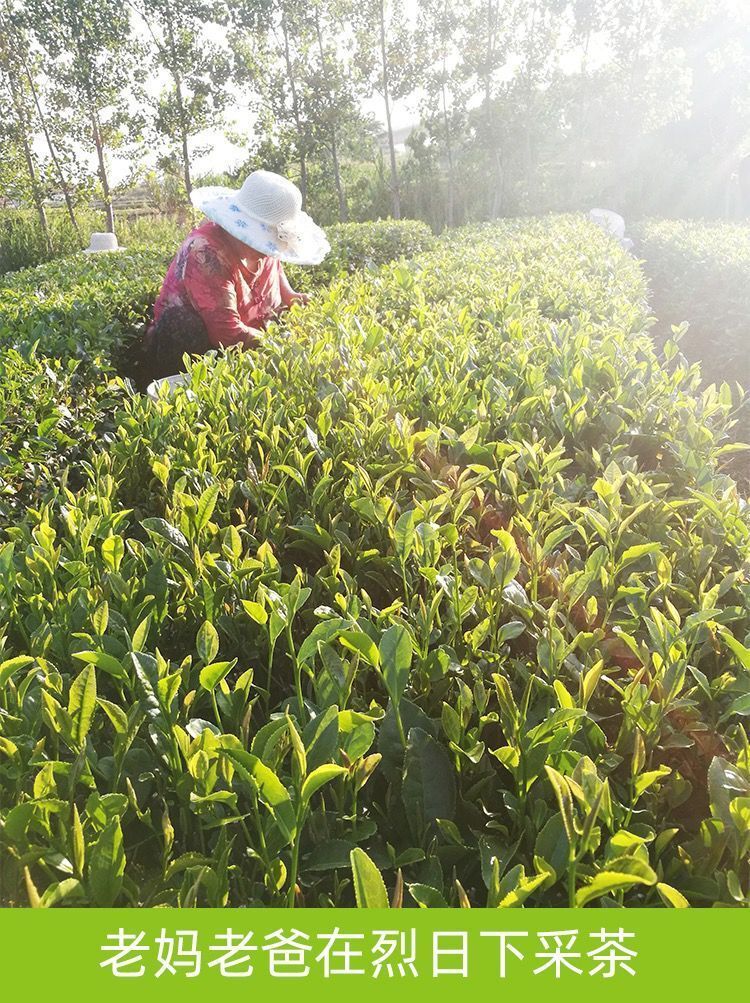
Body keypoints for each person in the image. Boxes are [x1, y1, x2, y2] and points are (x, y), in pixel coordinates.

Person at [139, 169, 329, 385]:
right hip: (197, 350)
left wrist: (292, 297)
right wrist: (282, 345)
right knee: (183, 325)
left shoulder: (260, 249)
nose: (270, 250)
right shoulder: (205, 253)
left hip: (247, 340)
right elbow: (227, 333)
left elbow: (275, 273)